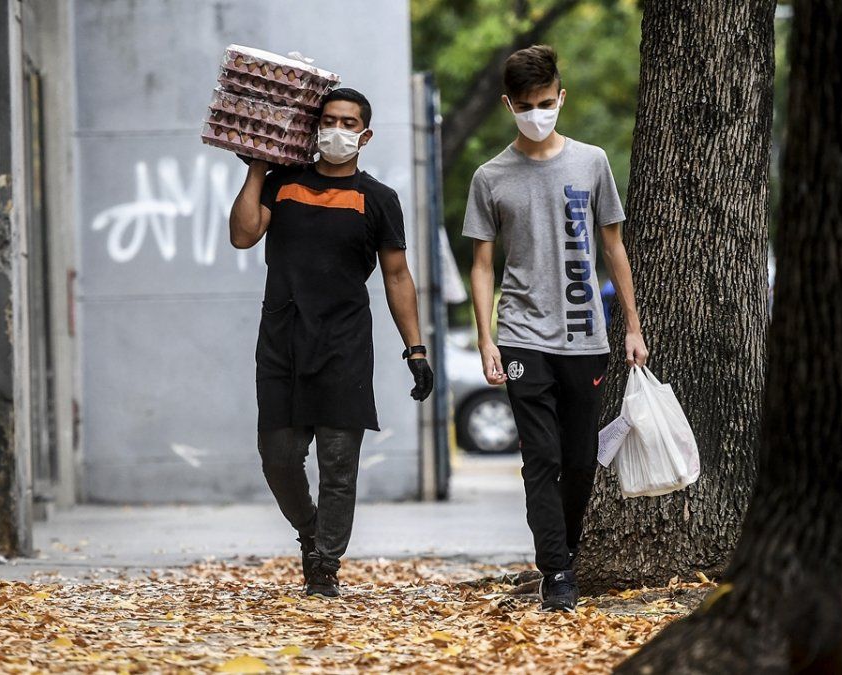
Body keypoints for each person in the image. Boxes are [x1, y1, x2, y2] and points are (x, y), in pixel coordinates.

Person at [462, 46, 648, 612]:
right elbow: (482, 264)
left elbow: (614, 246)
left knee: (577, 459)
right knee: (540, 457)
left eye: (545, 103)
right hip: (521, 333)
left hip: (585, 334)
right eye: (525, 105)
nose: (537, 113)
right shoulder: (490, 176)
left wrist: (632, 327)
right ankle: (556, 571)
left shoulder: (591, 162)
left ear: (561, 97)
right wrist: (487, 337)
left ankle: (563, 548)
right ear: (508, 105)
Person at [229, 88, 434, 598]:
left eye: (348, 123)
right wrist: (256, 169)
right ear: (314, 128)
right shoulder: (284, 183)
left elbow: (397, 275)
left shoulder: (378, 199)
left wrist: (416, 349)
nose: (336, 130)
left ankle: (324, 566)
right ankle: (310, 530)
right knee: (278, 457)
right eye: (328, 120)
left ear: (364, 135)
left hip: (343, 343)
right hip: (281, 338)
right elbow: (243, 235)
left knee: (338, 466)